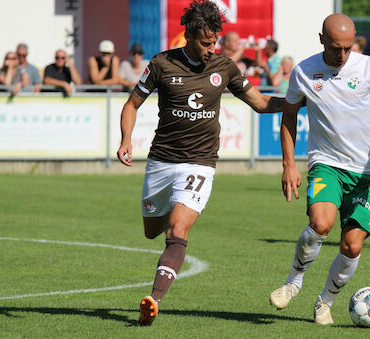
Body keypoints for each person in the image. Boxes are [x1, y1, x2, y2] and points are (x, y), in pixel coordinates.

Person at [116, 0, 285, 327]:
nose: (212, 49)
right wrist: (125, 140)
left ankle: (154, 299)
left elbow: (261, 103)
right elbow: (131, 104)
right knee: (152, 230)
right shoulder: (162, 64)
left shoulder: (224, 67)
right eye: (206, 42)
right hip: (161, 162)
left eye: (215, 42)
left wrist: (297, 101)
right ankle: (165, 219)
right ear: (189, 36)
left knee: (178, 231)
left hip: (200, 164)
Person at [268, 13, 370, 325]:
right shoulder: (304, 71)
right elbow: (288, 117)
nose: (341, 55)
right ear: (321, 40)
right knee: (321, 223)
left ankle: (325, 302)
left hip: (365, 172)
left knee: (352, 245)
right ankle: (293, 282)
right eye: (335, 48)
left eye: (347, 48)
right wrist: (288, 165)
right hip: (326, 163)